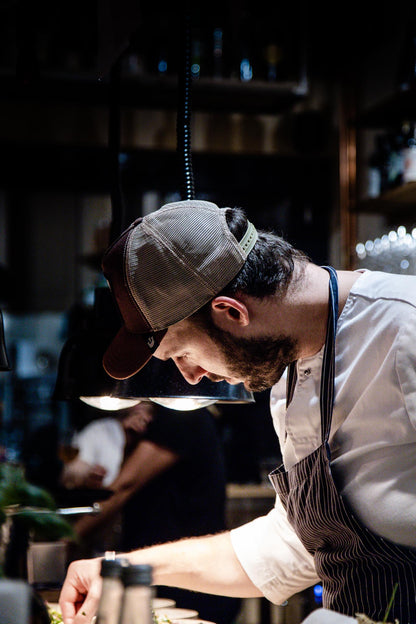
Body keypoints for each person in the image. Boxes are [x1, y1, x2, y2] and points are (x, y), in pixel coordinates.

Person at [59, 199, 416, 624]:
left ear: (230, 312)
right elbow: (293, 544)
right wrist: (124, 568)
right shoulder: (291, 373)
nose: (190, 378)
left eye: (183, 353)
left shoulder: (405, 331)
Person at [61, 401, 241, 624]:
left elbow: (124, 486)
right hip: (173, 574)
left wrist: (67, 538)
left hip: (191, 583)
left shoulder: (180, 416)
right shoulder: (161, 422)